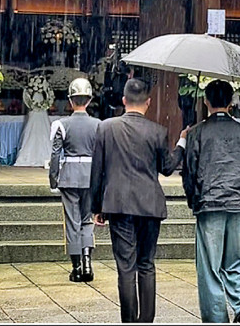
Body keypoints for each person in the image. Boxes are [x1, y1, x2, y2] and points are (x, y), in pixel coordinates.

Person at [90, 78, 187, 323]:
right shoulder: (158, 131)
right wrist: (182, 143)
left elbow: (97, 171)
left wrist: (96, 207)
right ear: (148, 102)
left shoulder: (106, 128)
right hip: (150, 204)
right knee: (146, 264)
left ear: (124, 100)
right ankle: (146, 320)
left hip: (119, 203)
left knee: (126, 267)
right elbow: (166, 168)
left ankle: (129, 320)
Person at [182, 80, 240, 323]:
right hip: (238, 200)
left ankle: (216, 317)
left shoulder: (197, 132)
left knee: (210, 266)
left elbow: (190, 170)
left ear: (206, 101)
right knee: (239, 259)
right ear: (230, 102)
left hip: (209, 201)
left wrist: (193, 199)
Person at [49, 78, 101, 283]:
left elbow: (55, 155)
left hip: (69, 176)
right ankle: (88, 262)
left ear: (70, 101)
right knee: (87, 220)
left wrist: (53, 179)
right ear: (88, 101)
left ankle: (77, 266)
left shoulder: (61, 125)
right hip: (90, 176)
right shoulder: (98, 125)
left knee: (72, 222)